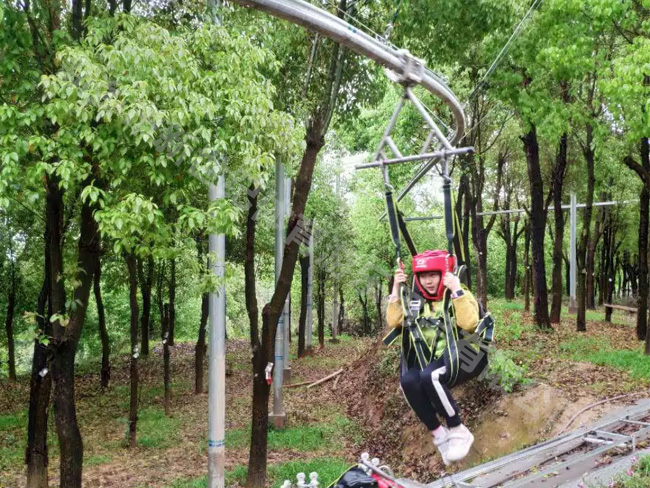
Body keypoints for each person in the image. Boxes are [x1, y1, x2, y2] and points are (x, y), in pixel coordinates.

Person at [386, 249, 487, 465]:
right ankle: (439, 434)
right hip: (431, 359)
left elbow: (470, 324)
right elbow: (394, 321)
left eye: (433, 275)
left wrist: (456, 289)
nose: (429, 281)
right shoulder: (416, 301)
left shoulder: (459, 294)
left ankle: (458, 429)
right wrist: (396, 286)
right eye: (423, 276)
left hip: (466, 356)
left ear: (443, 274)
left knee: (430, 376)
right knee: (408, 381)